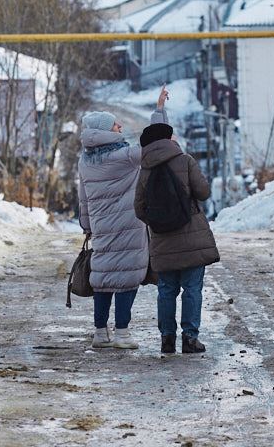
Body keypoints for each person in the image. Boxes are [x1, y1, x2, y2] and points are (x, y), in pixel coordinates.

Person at [77, 85, 170, 349]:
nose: (120, 127)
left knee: (104, 277)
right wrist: (159, 111)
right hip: (129, 226)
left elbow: (83, 198)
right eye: (116, 126)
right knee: (127, 276)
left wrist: (87, 225)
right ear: (106, 132)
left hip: (102, 228)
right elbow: (158, 143)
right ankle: (123, 334)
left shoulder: (85, 162)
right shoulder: (126, 156)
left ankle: (99, 332)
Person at [134, 122, 219, 354]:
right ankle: (190, 339)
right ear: (167, 139)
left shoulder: (145, 170)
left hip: (162, 239)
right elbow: (203, 192)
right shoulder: (186, 160)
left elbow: (139, 209)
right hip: (192, 236)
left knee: (166, 289)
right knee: (192, 289)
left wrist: (159, 220)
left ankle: (167, 339)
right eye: (173, 134)